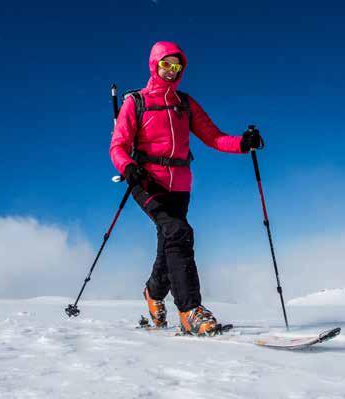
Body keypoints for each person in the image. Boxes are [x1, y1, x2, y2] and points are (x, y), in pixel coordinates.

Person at [109, 41, 263, 335]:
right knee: (179, 233)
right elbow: (118, 146)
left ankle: (153, 296)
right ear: (155, 64)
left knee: (169, 243)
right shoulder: (136, 102)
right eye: (166, 64)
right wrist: (129, 167)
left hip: (180, 185)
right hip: (147, 181)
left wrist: (243, 144)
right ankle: (190, 310)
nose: (171, 70)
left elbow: (214, 137)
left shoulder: (185, 103)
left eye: (176, 66)